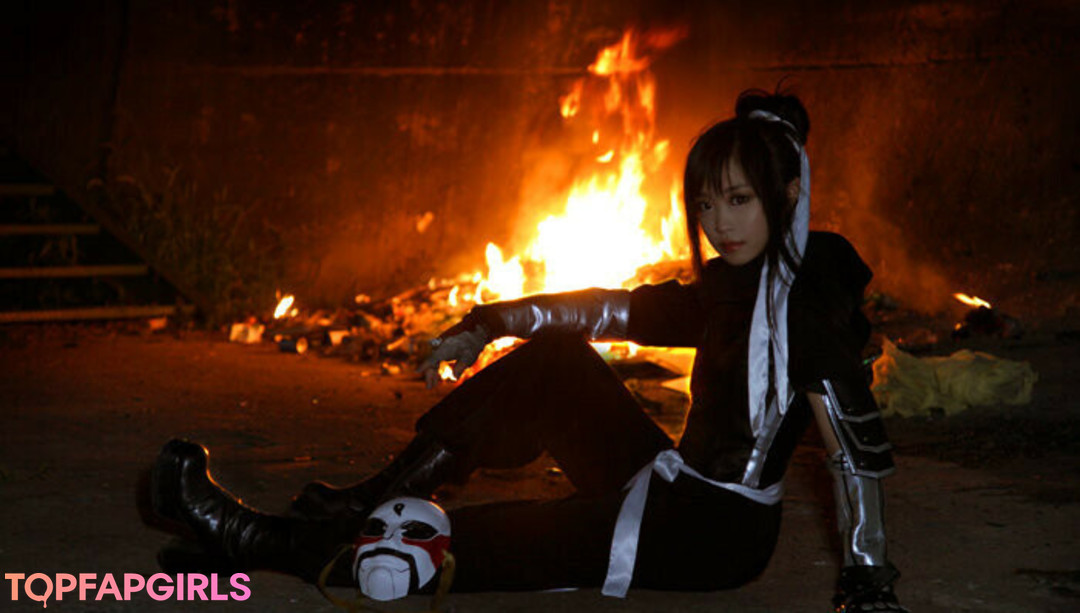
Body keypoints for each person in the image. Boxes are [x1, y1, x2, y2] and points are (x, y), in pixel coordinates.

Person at [150, 89, 908, 612]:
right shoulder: (727, 288)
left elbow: (856, 451)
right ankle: (361, 504)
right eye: (707, 203)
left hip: (710, 536)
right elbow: (615, 308)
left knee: (465, 544)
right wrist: (491, 321)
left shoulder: (806, 305)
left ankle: (254, 539)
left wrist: (868, 581)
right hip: (670, 486)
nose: (718, 223)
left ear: (787, 195)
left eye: (739, 200)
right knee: (558, 360)